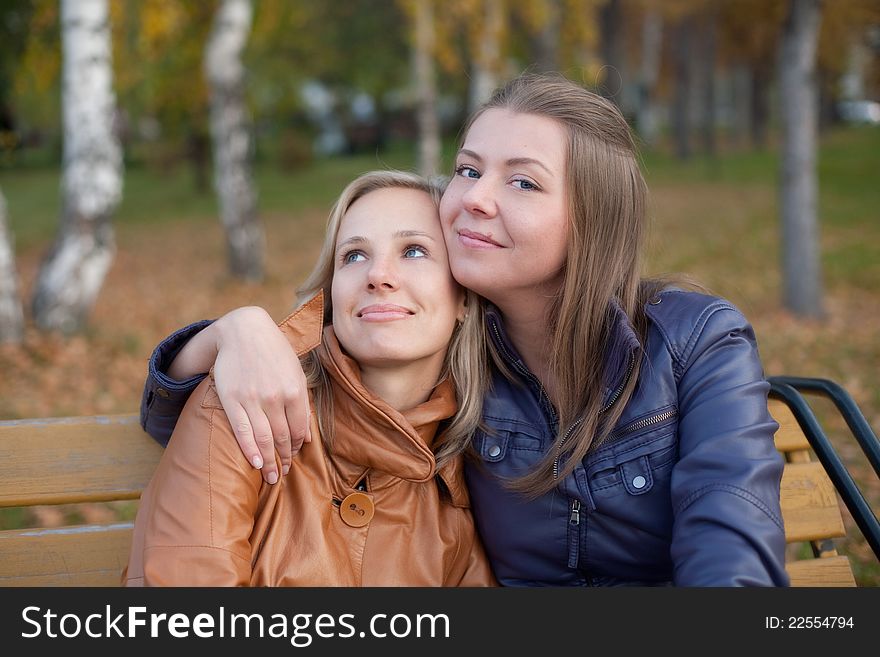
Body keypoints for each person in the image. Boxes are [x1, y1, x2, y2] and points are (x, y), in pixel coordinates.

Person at [140, 73, 789, 586]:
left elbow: (730, 551)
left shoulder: (692, 342)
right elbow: (240, 423)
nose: (476, 196)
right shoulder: (458, 375)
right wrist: (238, 332)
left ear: (592, 221)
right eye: (470, 169)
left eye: (524, 182)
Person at [124, 170, 497, 586]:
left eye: (413, 251)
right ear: (333, 292)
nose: (378, 275)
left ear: (462, 296)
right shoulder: (245, 400)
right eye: (354, 255)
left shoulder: (472, 468)